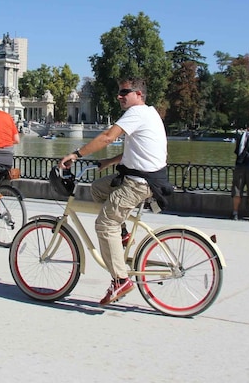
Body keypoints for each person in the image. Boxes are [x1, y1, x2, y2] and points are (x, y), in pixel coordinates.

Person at [58, 77, 171, 306]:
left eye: (125, 92)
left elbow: (108, 137)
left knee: (103, 224)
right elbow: (136, 150)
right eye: (119, 93)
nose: (120, 96)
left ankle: (120, 279)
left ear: (138, 94)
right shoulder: (148, 113)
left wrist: (77, 154)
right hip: (140, 177)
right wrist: (107, 162)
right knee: (98, 188)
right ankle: (123, 235)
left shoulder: (136, 113)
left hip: (138, 183)